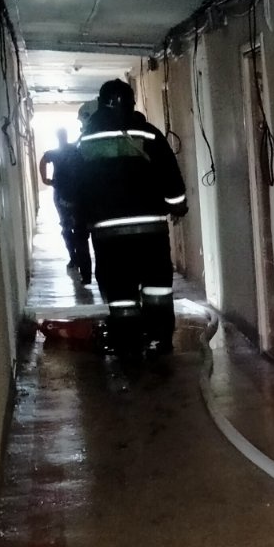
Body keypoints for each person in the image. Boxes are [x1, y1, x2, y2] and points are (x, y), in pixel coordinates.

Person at [64, 80, 189, 354]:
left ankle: (128, 345)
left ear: (100, 105)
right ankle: (159, 341)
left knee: (120, 292)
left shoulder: (85, 141)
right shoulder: (149, 133)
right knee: (157, 288)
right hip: (151, 232)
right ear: (132, 104)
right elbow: (171, 176)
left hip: (108, 235)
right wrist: (178, 207)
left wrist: (81, 222)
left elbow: (74, 189)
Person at [38, 128, 90, 283]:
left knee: (66, 228)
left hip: (61, 194)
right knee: (80, 230)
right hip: (78, 194)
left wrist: (45, 180)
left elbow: (43, 161)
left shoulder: (55, 153)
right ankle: (82, 267)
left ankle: (73, 258)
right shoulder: (75, 149)